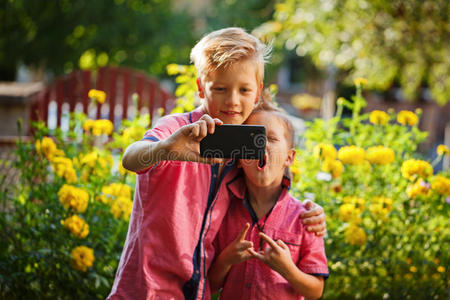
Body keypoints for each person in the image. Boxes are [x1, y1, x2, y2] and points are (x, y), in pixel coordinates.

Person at [108, 27, 326, 300]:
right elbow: (131, 157)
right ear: (201, 86)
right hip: (147, 288)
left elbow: (267, 184)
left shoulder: (239, 148)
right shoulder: (176, 129)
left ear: (257, 91)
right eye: (220, 89)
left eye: (244, 90)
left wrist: (309, 209)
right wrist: (165, 149)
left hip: (197, 291)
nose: (233, 101)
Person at [209, 101, 329, 299]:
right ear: (239, 158)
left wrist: (288, 269)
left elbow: (316, 291)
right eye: (253, 139)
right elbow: (211, 285)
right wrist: (225, 261)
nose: (261, 144)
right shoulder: (223, 212)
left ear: (289, 158)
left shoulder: (306, 219)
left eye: (271, 138)